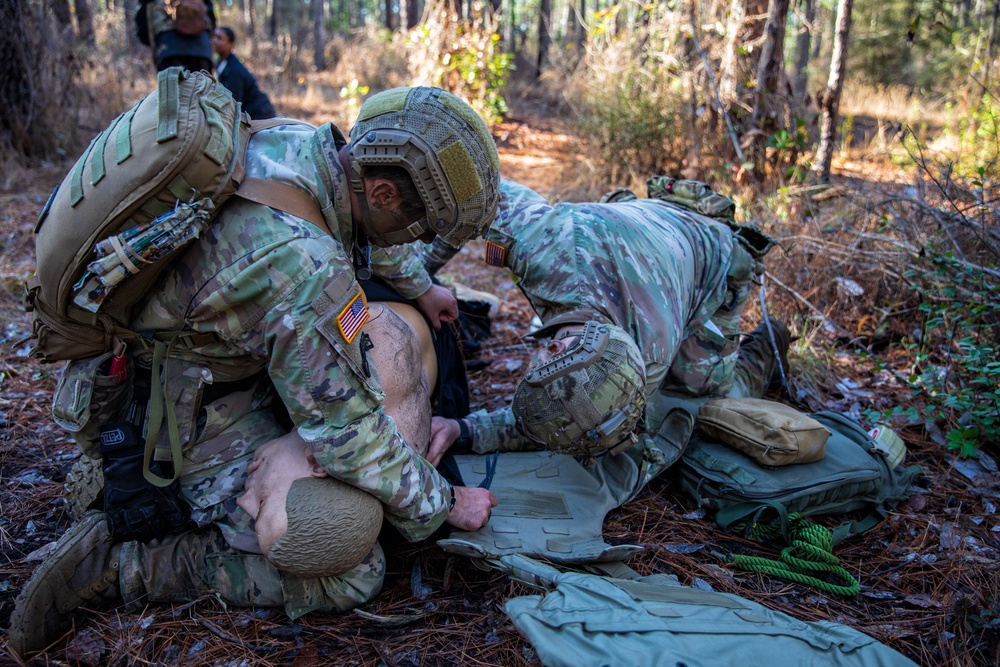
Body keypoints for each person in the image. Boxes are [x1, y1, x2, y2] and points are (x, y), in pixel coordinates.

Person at [7, 86, 501, 659]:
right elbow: (349, 442)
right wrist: (442, 503)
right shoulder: (303, 268)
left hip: (164, 363)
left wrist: (422, 285)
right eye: (417, 225)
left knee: (377, 342)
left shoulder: (297, 144)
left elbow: (362, 227)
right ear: (384, 188)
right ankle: (127, 560)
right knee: (351, 564)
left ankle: (112, 478)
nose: (414, 239)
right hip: (173, 411)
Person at [423, 177, 790, 498]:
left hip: (717, 255)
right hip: (642, 228)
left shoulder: (646, 359)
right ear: (551, 345)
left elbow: (568, 425)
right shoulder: (543, 245)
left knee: (705, 405)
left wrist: (465, 429)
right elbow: (476, 190)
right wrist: (418, 281)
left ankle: (771, 340)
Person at [212, 26, 277, 120]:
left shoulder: (234, 69)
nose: (214, 41)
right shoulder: (220, 64)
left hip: (260, 115)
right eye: (214, 37)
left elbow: (234, 103)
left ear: (230, 44)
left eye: (219, 38)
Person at [136, 0, 216, 72]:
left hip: (168, 46)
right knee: (203, 85)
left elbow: (142, 20)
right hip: (201, 48)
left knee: (172, 86)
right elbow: (211, 16)